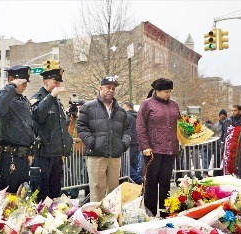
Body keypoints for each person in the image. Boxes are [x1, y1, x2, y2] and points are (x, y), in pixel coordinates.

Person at [77, 76, 131, 201]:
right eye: (108, 87)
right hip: (96, 155)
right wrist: (92, 143)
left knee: (114, 190)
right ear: (100, 88)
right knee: (97, 190)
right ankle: (96, 217)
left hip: (114, 156)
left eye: (113, 88)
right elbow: (81, 126)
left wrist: (123, 144)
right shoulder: (88, 107)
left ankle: (112, 217)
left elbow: (127, 130)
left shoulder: (121, 111)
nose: (111, 90)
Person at [30, 58, 73, 201]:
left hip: (56, 155)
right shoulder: (38, 98)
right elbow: (37, 115)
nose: (58, 86)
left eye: (59, 82)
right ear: (45, 82)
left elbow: (61, 127)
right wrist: (51, 96)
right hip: (42, 155)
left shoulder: (57, 103)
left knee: (55, 194)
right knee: (41, 194)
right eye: (55, 82)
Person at [136, 78, 180, 217]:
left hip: (170, 148)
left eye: (170, 92)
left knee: (166, 181)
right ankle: (150, 211)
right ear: (157, 91)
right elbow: (140, 126)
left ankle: (165, 210)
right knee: (152, 180)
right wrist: (145, 145)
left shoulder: (174, 105)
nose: (168, 94)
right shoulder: (147, 104)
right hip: (152, 149)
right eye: (166, 92)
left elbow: (180, 124)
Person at [0, 65, 34, 193]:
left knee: (22, 194)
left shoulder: (24, 101)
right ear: (11, 79)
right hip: (7, 155)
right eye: (22, 82)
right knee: (7, 196)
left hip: (23, 156)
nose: (25, 85)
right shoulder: (2, 96)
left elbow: (29, 128)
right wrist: (11, 88)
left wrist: (30, 151)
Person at [220, 105, 241, 178]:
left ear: (239, 111)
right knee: (229, 169)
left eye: (235, 110)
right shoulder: (227, 121)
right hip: (229, 149)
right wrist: (223, 145)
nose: (233, 112)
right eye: (232, 111)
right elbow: (223, 135)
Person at [122, 101, 142, 184]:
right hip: (137, 142)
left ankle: (136, 178)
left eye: (124, 108)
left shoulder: (127, 117)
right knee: (133, 163)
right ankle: (135, 181)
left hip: (129, 142)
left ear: (127, 107)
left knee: (125, 163)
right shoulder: (138, 117)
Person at [212, 109, 227, 176]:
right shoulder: (215, 125)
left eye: (224, 115)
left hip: (226, 145)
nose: (222, 116)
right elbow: (212, 136)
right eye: (221, 115)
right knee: (217, 160)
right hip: (217, 145)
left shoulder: (228, 123)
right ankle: (216, 173)